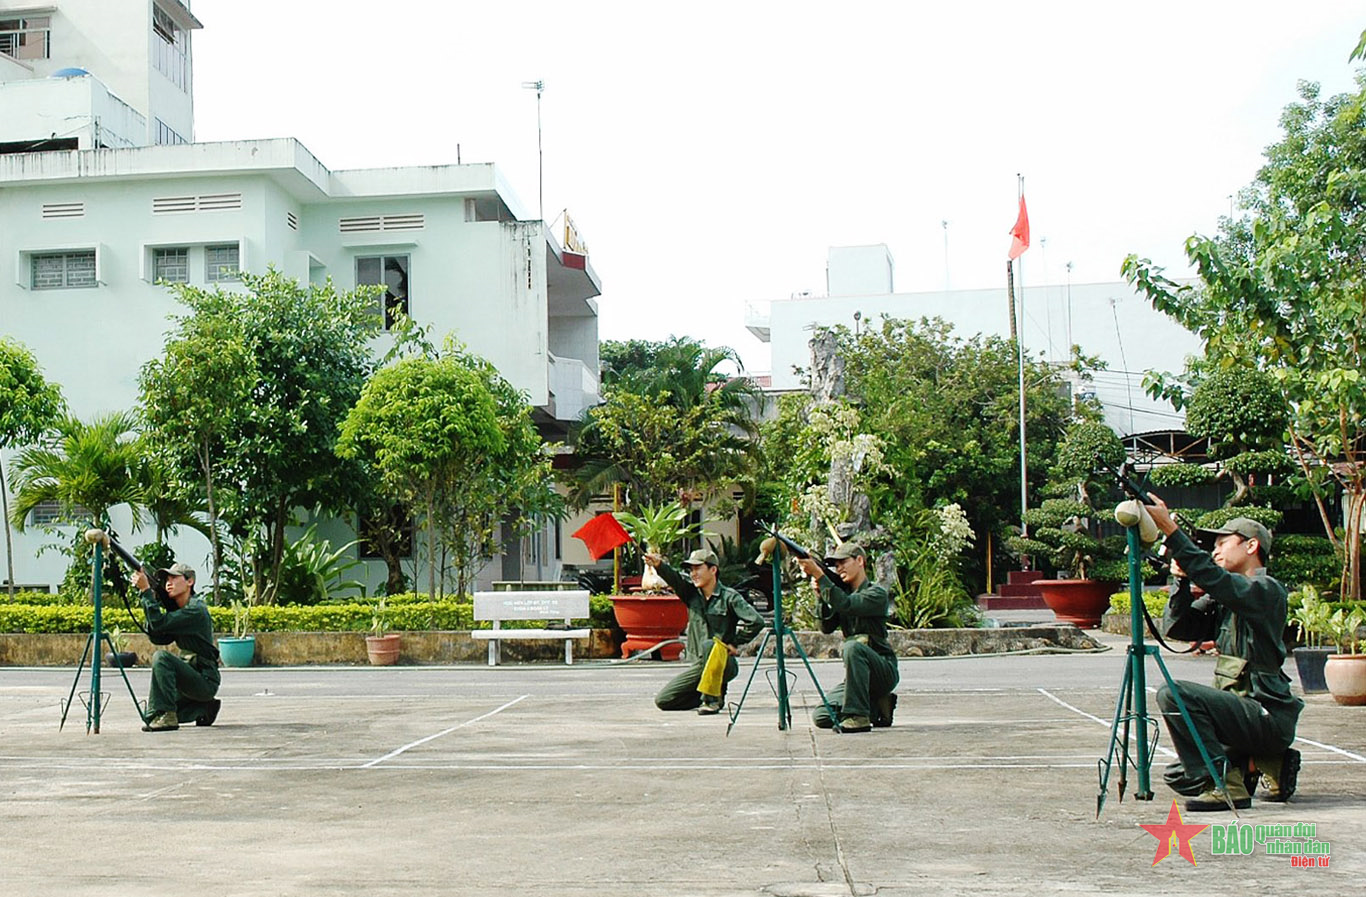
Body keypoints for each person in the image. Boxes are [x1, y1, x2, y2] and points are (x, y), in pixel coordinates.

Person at [1144, 497, 1303, 811]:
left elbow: (1218, 582)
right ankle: (1262, 763)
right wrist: (1180, 581)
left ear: (1251, 546)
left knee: (1174, 695)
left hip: (1265, 711)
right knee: (1180, 774)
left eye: (1222, 543)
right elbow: (1179, 629)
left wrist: (1170, 529)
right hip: (1238, 716)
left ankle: (1228, 785)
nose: (1214, 550)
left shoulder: (1266, 591)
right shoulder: (1225, 598)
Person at [644, 548, 765, 714]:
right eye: (691, 570)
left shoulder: (730, 597)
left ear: (713, 570)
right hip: (699, 664)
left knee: (711, 645)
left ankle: (712, 700)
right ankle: (705, 692)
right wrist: (659, 565)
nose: (693, 574)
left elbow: (756, 621)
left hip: (724, 663)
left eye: (697, 568)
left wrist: (733, 643)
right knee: (664, 700)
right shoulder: (691, 594)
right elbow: (675, 579)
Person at [796, 542, 899, 732]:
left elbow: (848, 605)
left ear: (859, 561)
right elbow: (825, 627)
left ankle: (858, 717)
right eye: (836, 565)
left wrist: (820, 575)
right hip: (857, 677)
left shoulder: (876, 593)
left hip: (882, 670)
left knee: (853, 647)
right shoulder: (841, 594)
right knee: (822, 716)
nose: (839, 568)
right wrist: (820, 595)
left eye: (843, 562)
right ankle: (874, 706)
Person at [131, 562, 221, 732]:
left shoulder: (195, 610)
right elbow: (158, 637)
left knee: (161, 658)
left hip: (204, 680)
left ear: (190, 582)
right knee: (150, 715)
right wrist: (152, 599)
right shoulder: (181, 610)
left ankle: (170, 717)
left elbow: (158, 625)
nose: (168, 583)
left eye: (174, 578)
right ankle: (203, 707)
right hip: (190, 678)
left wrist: (146, 592)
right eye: (166, 579)